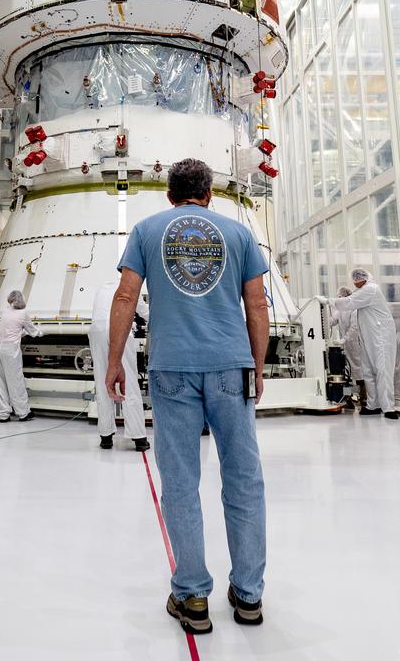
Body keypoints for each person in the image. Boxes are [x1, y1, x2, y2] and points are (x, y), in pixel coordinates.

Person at [107, 158, 269, 634]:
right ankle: (249, 597)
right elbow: (256, 304)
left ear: (169, 195)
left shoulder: (146, 230)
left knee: (180, 483)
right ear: (210, 195)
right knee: (244, 480)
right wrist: (256, 367)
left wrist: (116, 361)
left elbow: (124, 298)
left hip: (171, 368)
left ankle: (192, 596)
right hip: (229, 366)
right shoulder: (238, 235)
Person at [89, 279, 149, 451]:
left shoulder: (102, 286)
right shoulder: (131, 285)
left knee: (102, 382)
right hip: (120, 330)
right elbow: (146, 314)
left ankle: (105, 437)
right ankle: (139, 438)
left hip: (97, 332)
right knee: (129, 382)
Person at [330, 269, 398, 419]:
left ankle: (388, 408)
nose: (355, 282)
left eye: (357, 279)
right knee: (368, 372)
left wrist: (329, 301)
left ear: (364, 279)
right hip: (368, 339)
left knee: (382, 370)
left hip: (380, 338)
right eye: (354, 280)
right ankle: (373, 405)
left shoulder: (371, 289)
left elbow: (349, 302)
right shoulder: (362, 291)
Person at [0, 289, 40, 422]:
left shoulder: (6, 310)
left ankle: (3, 414)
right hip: (10, 351)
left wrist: (21, 332)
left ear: (10, 299)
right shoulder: (23, 313)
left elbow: (12, 328)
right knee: (15, 381)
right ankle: (23, 413)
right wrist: (42, 332)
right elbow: (33, 331)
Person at [333, 286, 367, 410]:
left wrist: (344, 339)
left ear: (347, 297)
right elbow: (332, 320)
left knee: (359, 373)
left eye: (340, 297)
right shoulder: (341, 310)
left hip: (355, 345)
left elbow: (354, 328)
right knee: (346, 373)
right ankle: (348, 400)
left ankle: (364, 399)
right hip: (346, 346)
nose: (339, 299)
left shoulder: (354, 309)